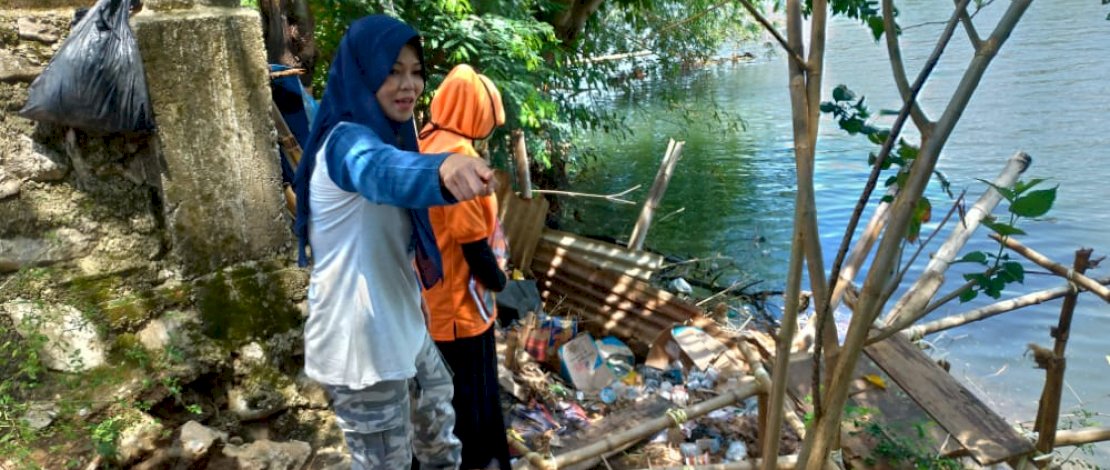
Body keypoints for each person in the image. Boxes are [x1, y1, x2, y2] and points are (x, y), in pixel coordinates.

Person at [291, 15, 493, 469]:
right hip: (361, 345)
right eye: (392, 70)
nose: (409, 85)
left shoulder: (394, 135)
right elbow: (380, 172)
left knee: (440, 423)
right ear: (363, 72)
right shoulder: (345, 143)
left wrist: (416, 297)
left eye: (416, 71)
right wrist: (441, 170)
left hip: (403, 323)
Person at [418, 64, 512, 470]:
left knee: (435, 405)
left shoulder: (424, 141)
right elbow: (473, 245)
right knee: (471, 408)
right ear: (479, 114)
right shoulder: (461, 160)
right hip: (461, 312)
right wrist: (500, 281)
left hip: (427, 303)